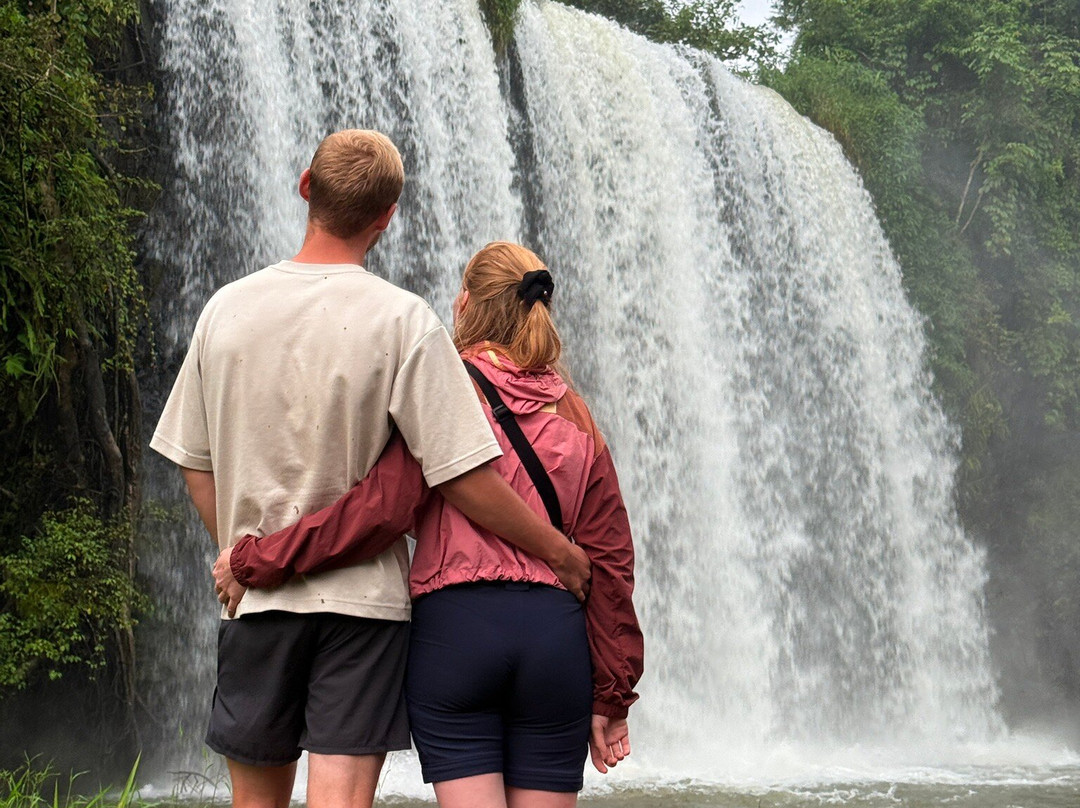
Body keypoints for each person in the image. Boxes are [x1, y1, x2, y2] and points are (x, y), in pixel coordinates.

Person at [150, 132, 590, 808]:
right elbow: (461, 476)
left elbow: (194, 461)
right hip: (364, 612)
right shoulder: (405, 320)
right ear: (388, 216)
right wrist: (557, 550)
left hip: (261, 602)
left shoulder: (225, 310)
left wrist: (239, 556)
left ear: (305, 187)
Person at [213, 242, 644, 808]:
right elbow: (611, 562)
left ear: (464, 305)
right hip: (553, 642)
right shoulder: (576, 412)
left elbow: (378, 511)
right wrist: (611, 695)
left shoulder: (444, 391)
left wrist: (256, 559)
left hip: (457, 634)